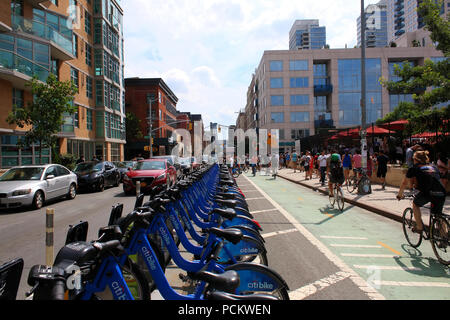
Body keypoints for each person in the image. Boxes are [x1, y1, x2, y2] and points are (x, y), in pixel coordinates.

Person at [397, 151, 447, 234]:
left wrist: (399, 195)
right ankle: (444, 236)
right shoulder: (432, 167)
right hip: (441, 192)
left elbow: (404, 183)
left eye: (413, 159)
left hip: (428, 192)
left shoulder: (414, 168)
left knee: (415, 204)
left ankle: (419, 227)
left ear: (416, 159)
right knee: (438, 214)